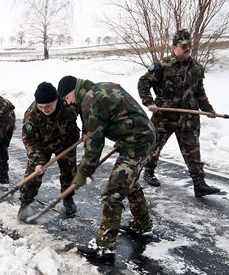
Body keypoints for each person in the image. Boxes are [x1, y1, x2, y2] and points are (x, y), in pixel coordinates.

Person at [57, 75, 156, 261]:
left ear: (73, 91)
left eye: (66, 98)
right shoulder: (99, 88)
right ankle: (142, 225)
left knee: (113, 193)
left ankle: (105, 247)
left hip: (136, 144)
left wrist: (83, 173)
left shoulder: (89, 101)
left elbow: (95, 145)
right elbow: (115, 115)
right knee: (130, 183)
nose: (68, 102)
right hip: (140, 136)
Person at [137, 29, 221, 198]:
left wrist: (208, 109)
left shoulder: (196, 67)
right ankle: (149, 171)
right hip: (164, 116)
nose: (188, 48)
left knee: (192, 149)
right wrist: (149, 102)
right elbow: (143, 82)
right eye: (184, 46)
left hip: (188, 117)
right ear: (174, 47)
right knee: (154, 146)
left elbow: (199, 93)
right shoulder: (162, 65)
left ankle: (199, 183)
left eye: (189, 45)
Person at [18, 82, 80, 220]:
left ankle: (68, 197)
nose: (45, 110)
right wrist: (38, 161)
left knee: (69, 172)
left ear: (56, 100)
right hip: (42, 145)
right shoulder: (32, 115)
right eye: (41, 107)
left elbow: (86, 112)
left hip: (66, 142)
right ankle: (25, 202)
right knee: (33, 174)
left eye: (48, 106)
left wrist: (88, 130)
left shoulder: (69, 105)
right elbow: (29, 140)